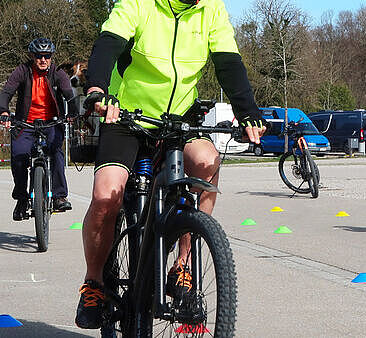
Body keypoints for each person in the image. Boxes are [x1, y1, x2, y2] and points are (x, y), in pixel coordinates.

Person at [74, 0, 267, 329]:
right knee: (107, 196)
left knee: (207, 161)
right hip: (126, 115)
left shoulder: (211, 9)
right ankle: (93, 283)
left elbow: (229, 64)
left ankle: (183, 263)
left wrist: (247, 111)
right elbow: (109, 43)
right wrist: (97, 90)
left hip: (179, 119)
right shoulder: (139, 3)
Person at [0, 38, 74, 221]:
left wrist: (71, 114)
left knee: (56, 152)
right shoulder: (22, 71)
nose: (43, 60)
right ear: (33, 56)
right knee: (18, 158)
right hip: (25, 124)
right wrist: (4, 111)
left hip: (51, 122)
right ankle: (22, 199)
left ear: (51, 57)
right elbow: (6, 92)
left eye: (47, 56)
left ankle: (59, 196)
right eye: (39, 56)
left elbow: (69, 95)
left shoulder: (58, 73)